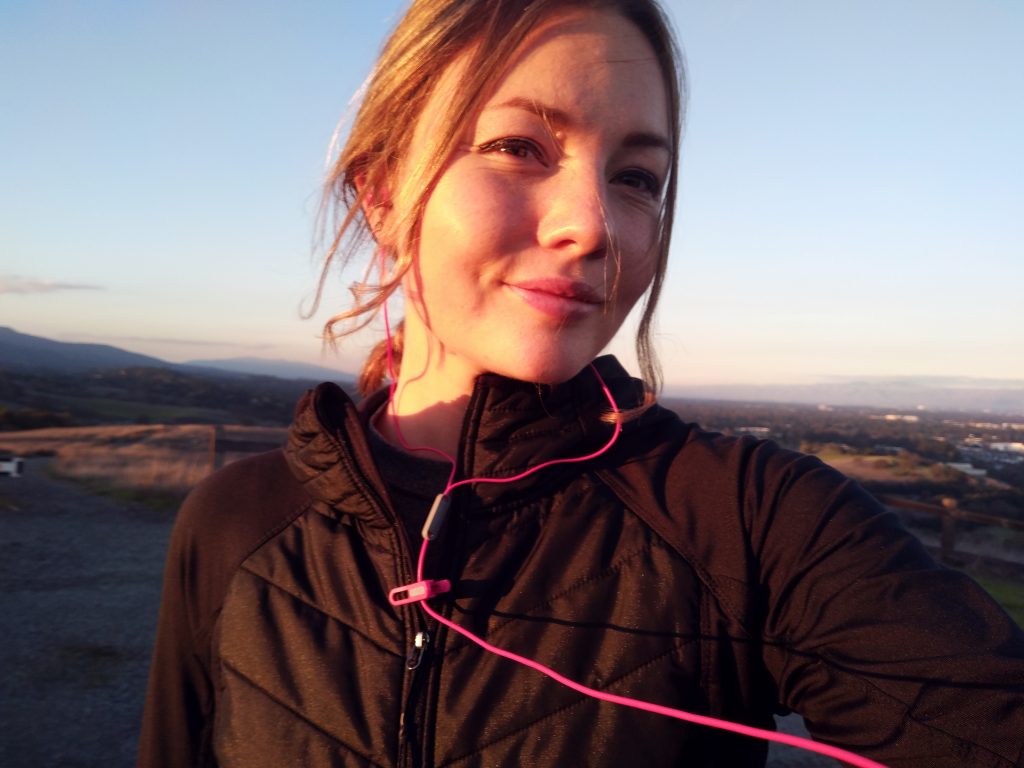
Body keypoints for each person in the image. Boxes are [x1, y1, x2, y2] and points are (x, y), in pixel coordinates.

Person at [138, 1, 1024, 766]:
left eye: (636, 178)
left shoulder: (751, 522)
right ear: (383, 194)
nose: (593, 226)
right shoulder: (235, 523)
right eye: (518, 146)